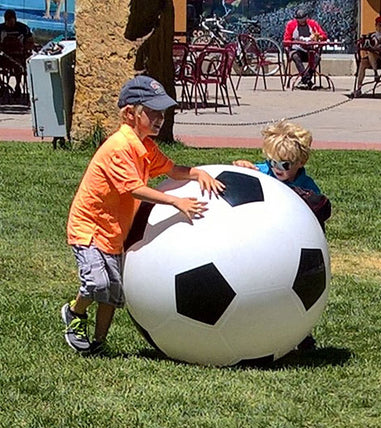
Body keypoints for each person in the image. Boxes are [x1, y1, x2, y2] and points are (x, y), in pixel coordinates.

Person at [61, 75, 224, 355]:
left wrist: (197, 172)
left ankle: (98, 344)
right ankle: (74, 313)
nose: (160, 118)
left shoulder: (146, 146)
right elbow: (135, 189)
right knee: (97, 283)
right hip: (89, 228)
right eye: (152, 112)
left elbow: (172, 170)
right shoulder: (120, 146)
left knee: (113, 292)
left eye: (162, 112)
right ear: (130, 113)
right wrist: (175, 201)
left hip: (113, 231)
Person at [232, 120, 329, 350]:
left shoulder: (308, 187)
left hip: (293, 247)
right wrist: (241, 167)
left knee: (296, 290)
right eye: (272, 161)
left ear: (300, 162)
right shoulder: (262, 172)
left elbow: (317, 215)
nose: (277, 168)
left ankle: (301, 333)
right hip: (262, 244)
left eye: (285, 164)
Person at [283, 7, 328, 90]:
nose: (301, 21)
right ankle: (308, 81)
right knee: (296, 56)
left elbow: (323, 36)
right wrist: (294, 43)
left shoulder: (313, 24)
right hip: (296, 49)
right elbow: (286, 40)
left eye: (303, 19)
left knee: (317, 57)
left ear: (306, 17)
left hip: (310, 50)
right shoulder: (291, 25)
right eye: (299, 19)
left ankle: (305, 80)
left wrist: (318, 37)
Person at [350, 14, 381, 98]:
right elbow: (366, 46)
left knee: (370, 53)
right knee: (363, 62)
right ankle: (359, 88)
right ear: (376, 25)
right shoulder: (371, 35)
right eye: (380, 25)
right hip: (371, 58)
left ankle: (376, 73)